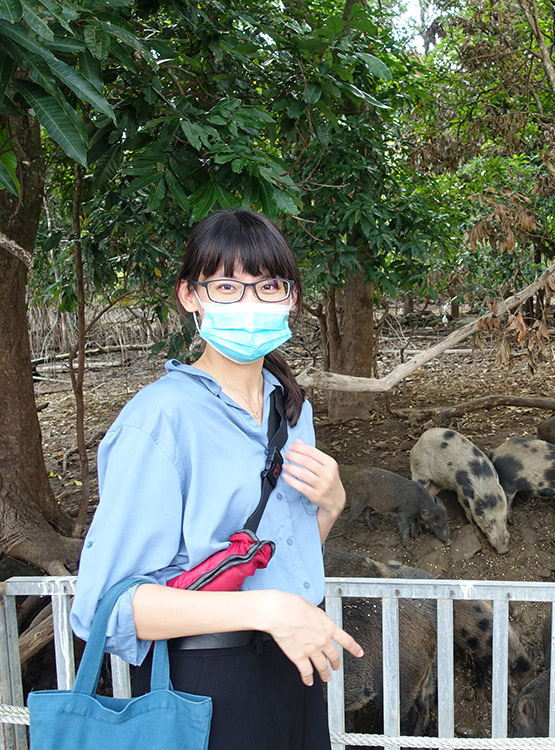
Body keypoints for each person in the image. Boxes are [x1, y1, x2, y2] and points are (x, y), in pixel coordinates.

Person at [71, 208, 363, 750]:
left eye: (268, 286)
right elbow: (104, 611)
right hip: (203, 685)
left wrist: (329, 508)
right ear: (190, 296)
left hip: (295, 670)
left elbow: (263, 563)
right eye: (227, 286)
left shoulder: (292, 408)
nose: (250, 304)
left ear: (292, 298)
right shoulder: (159, 419)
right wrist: (267, 610)